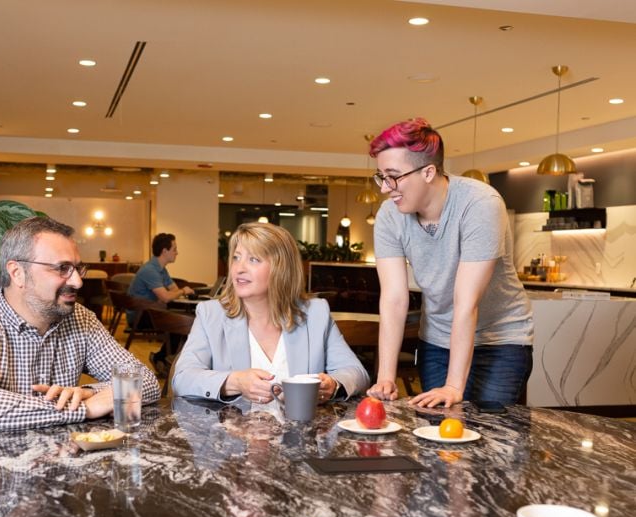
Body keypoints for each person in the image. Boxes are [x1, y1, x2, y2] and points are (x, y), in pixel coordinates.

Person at [0, 217, 160, 442]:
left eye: (78, 268)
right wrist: (85, 408)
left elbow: (147, 382)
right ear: (17, 273)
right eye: (62, 268)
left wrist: (91, 391)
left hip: (52, 462)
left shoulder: (80, 319)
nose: (78, 282)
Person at [366, 117, 533, 408]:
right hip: (437, 339)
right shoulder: (389, 215)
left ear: (428, 172)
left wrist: (455, 386)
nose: (385, 188)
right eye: (381, 176)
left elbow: (466, 300)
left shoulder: (479, 204)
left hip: (500, 340)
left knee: (491, 437)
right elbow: (393, 299)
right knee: (438, 436)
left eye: (393, 176)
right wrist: (386, 377)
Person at [172, 222, 368, 403]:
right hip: (233, 436)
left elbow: (356, 372)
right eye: (236, 257)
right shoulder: (211, 314)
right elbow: (182, 377)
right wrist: (235, 381)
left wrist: (332, 386)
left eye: (254, 259)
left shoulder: (316, 314)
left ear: (281, 269)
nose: (239, 268)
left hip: (300, 436)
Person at [128, 233, 194, 374]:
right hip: (140, 316)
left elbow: (173, 290)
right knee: (182, 323)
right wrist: (182, 291)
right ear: (164, 251)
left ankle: (163, 358)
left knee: (185, 321)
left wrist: (178, 292)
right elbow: (165, 297)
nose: (177, 252)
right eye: (174, 249)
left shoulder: (161, 269)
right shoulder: (150, 270)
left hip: (150, 312)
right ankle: (165, 358)